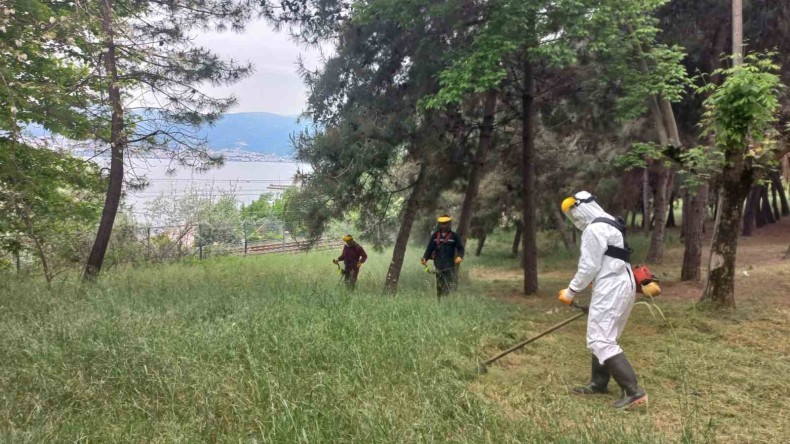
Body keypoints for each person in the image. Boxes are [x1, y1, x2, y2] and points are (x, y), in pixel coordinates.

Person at [558, 191, 648, 409]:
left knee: (601, 340)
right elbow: (609, 259)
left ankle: (635, 393)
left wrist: (570, 291)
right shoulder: (610, 224)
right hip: (621, 284)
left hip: (612, 288)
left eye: (574, 212)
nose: (575, 219)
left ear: (582, 207)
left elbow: (589, 266)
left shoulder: (594, 229)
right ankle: (598, 383)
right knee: (605, 336)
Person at [421, 215, 465, 297]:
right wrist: (425, 258)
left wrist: (459, 257)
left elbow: (461, 249)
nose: (443, 226)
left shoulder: (454, 236)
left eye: (445, 224)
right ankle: (440, 301)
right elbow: (429, 249)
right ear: (439, 224)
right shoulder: (435, 236)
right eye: (442, 224)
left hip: (449, 264)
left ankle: (447, 299)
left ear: (449, 224)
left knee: (448, 283)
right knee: (439, 284)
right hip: (438, 264)